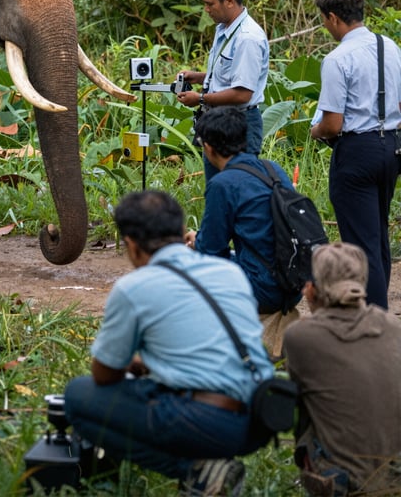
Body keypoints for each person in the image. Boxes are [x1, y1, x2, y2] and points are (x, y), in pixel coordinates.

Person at [64, 190, 274, 496]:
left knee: (79, 395)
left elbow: (104, 375)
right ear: (180, 231)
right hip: (260, 418)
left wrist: (133, 365)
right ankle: (209, 461)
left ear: (132, 246)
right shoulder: (230, 272)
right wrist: (154, 364)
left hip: (206, 422)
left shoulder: (133, 288)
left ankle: (197, 470)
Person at [309, 0, 401, 309]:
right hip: (391, 147)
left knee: (360, 244)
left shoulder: (337, 58)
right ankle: (382, 313)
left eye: (323, 19)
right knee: (377, 237)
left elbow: (333, 125)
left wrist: (315, 130)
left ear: (333, 16)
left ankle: (373, 319)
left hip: (356, 153)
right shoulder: (389, 46)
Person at [283, 242, 401, 496]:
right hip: (395, 475)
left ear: (313, 288)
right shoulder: (394, 327)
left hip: (341, 482)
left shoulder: (300, 337)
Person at [185, 107, 299, 357]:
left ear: (208, 148)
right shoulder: (273, 170)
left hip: (264, 288)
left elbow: (211, 251)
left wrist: (196, 242)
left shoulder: (223, 184)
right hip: (293, 282)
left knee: (185, 266)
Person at [176, 0, 269, 181]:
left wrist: (199, 98)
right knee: (217, 187)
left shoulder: (247, 38)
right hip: (218, 121)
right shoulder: (224, 28)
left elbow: (242, 94)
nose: (206, 9)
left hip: (239, 124)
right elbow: (231, 74)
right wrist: (198, 76)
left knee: (238, 190)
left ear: (229, 1)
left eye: (210, 4)